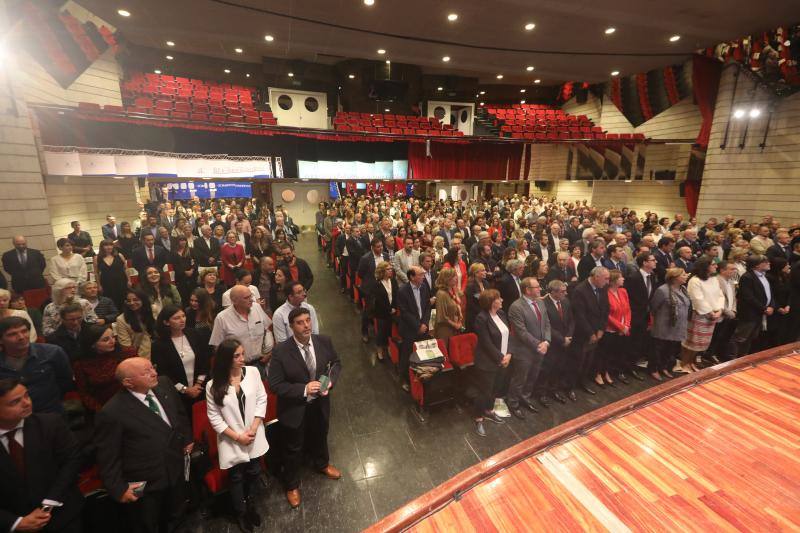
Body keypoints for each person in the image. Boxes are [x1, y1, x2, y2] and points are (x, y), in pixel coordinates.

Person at [94, 357, 193, 533]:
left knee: (177, 515)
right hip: (146, 482)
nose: (154, 373)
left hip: (175, 469)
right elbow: (108, 456)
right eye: (146, 372)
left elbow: (180, 413)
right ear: (128, 382)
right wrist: (118, 489)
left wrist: (187, 439)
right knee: (148, 523)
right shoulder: (112, 412)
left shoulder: (164, 384)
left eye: (152, 367)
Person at [268, 307, 342, 509]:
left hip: (320, 403)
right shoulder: (281, 351)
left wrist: (329, 382)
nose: (306, 325)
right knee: (293, 447)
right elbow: (275, 385)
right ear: (291, 327)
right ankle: (291, 485)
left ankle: (322, 464)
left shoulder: (323, 341)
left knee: (320, 435)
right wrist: (304, 389)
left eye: (308, 320)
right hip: (295, 407)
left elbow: (335, 364)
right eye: (300, 322)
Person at [0, 378, 84, 533]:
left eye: (26, 395)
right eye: (15, 402)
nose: (26, 403)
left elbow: (72, 461)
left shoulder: (50, 424)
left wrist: (48, 504)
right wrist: (15, 522)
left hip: (61, 515)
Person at [206, 339, 268, 532]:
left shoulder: (253, 372)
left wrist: (255, 425)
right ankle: (240, 512)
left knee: (254, 471)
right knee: (236, 478)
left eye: (243, 353)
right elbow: (214, 417)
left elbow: (261, 398)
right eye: (237, 356)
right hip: (232, 439)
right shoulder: (213, 385)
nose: (243, 358)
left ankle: (249, 504)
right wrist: (237, 436)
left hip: (253, 433)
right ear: (226, 359)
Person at [0, 317, 72, 414]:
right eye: (12, 334)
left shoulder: (53, 352)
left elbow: (65, 381)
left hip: (50, 413)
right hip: (12, 418)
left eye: (24, 331)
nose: (21, 337)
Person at [152, 305, 210, 421]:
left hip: (200, 388)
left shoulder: (194, 334)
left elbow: (204, 360)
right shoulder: (159, 345)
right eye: (176, 318)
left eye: (183, 316)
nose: (182, 320)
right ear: (166, 322)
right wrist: (185, 390)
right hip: (177, 393)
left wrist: (198, 385)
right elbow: (164, 372)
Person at [507, 278, 550, 416]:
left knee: (533, 376)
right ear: (527, 290)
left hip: (541, 348)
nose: (540, 289)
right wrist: (539, 344)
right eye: (537, 287)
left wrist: (547, 342)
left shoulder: (540, 302)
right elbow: (521, 332)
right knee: (520, 379)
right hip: (524, 350)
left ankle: (525, 398)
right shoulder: (516, 307)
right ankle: (513, 404)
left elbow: (547, 323)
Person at [210, 285, 274, 377]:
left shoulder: (257, 307)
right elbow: (217, 347)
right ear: (234, 300)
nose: (251, 299)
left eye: (251, 296)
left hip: (260, 365)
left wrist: (269, 354)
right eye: (246, 298)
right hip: (236, 368)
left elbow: (267, 329)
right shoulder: (222, 318)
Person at [472, 289, 511, 437]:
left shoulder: (501, 314)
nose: (501, 300)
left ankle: (489, 410)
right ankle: (478, 417)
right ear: (491, 302)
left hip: (504, 360)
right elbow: (486, 343)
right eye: (498, 298)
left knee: (496, 388)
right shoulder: (481, 318)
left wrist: (509, 355)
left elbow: (509, 334)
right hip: (488, 362)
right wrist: (502, 357)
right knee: (484, 391)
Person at [73, 324, 136, 413]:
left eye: (113, 337)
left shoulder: (127, 353)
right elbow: (84, 393)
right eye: (105, 340)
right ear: (92, 345)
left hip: (133, 402)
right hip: (103, 407)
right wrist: (102, 411)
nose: (112, 341)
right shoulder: (81, 364)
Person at [679, 257, 725, 372]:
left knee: (701, 343)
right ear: (705, 267)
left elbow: (720, 295)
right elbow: (697, 299)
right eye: (713, 264)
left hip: (713, 314)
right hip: (700, 314)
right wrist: (710, 312)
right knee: (692, 342)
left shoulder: (714, 279)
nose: (716, 266)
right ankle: (684, 363)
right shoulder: (695, 280)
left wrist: (719, 310)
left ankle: (691, 362)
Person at [570, 267, 611, 395]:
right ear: (596, 277)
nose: (608, 281)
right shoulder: (580, 290)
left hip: (597, 331)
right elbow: (579, 315)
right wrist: (590, 333)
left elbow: (605, 309)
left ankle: (583, 381)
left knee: (589, 360)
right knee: (578, 361)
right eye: (606, 278)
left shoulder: (603, 287)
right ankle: (570, 386)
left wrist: (601, 329)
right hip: (583, 333)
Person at [649, 268, 691, 380]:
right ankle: (654, 369)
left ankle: (664, 367)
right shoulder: (662, 290)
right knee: (658, 349)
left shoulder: (683, 289)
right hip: (663, 326)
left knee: (670, 350)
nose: (686, 276)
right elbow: (653, 307)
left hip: (678, 326)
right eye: (683, 275)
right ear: (675, 277)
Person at [396, 266, 432, 392]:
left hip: (423, 327)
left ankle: (421, 377)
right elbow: (405, 313)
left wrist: (425, 324)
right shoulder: (402, 291)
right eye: (421, 275)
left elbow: (427, 306)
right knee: (406, 355)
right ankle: (404, 379)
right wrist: (418, 326)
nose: (423, 277)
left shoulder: (424, 287)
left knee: (422, 354)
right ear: (412, 277)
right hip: (409, 329)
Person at [733, 255, 774, 357]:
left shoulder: (764, 275)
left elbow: (770, 293)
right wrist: (764, 308)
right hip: (749, 314)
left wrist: (772, 306)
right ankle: (734, 360)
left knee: (752, 338)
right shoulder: (747, 277)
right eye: (765, 262)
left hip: (759, 313)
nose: (769, 263)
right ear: (756, 265)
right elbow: (748, 297)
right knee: (741, 338)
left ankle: (744, 358)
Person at [595, 270, 630, 387]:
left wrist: (627, 325)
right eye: (621, 277)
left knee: (614, 352)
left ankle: (607, 372)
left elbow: (628, 310)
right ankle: (598, 373)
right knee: (603, 353)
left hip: (622, 329)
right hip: (609, 329)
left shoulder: (623, 291)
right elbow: (606, 314)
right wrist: (620, 326)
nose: (623, 279)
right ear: (614, 280)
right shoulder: (605, 293)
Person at [542, 280, 575, 402]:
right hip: (552, 343)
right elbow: (546, 325)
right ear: (554, 292)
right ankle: (542, 393)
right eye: (563, 291)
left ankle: (554, 390)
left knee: (559, 367)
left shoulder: (565, 302)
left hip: (566, 342)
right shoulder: (543, 304)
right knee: (547, 368)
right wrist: (562, 339)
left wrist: (569, 336)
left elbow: (572, 320)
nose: (566, 293)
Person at [357, 238, 389, 343]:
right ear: (372, 247)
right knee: (368, 310)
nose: (380, 248)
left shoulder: (385, 255)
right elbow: (360, 273)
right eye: (378, 247)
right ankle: (365, 332)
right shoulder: (366, 258)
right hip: (370, 289)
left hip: (383, 288)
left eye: (381, 246)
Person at [707, 260, 738, 362]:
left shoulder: (731, 281)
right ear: (722, 270)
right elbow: (716, 299)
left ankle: (717, 353)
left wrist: (733, 309)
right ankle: (709, 355)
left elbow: (733, 297)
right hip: (720, 314)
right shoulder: (716, 280)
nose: (735, 271)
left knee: (722, 337)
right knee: (715, 336)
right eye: (732, 269)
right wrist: (728, 311)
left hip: (729, 314)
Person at [115, 288, 155, 359]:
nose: (132, 303)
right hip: (140, 356)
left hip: (159, 351)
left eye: (135, 300)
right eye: (128, 301)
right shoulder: (121, 320)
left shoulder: (153, 310)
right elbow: (126, 347)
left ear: (143, 300)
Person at [372, 261, 398, 364]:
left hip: (392, 311)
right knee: (381, 332)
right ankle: (379, 350)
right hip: (382, 313)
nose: (391, 271)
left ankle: (387, 347)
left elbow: (395, 295)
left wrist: (394, 307)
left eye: (391, 269)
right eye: (388, 269)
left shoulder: (394, 281)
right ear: (382, 271)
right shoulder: (377, 284)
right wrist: (389, 309)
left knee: (389, 332)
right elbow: (380, 300)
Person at [94, 240, 129, 309]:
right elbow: (96, 273)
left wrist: (129, 280)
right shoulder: (97, 258)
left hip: (121, 281)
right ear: (102, 247)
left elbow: (126, 269)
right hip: (106, 283)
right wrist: (99, 285)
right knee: (110, 301)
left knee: (123, 299)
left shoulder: (119, 255)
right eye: (106, 245)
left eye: (111, 245)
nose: (109, 247)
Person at [765, 257, 792, 347]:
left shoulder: (785, 276)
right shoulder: (769, 278)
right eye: (786, 265)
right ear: (779, 266)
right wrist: (778, 308)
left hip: (785, 308)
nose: (788, 266)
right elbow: (770, 295)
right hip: (774, 310)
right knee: (773, 334)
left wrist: (788, 305)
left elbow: (789, 292)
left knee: (784, 332)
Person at [433, 267, 464, 341]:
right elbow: (442, 317)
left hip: (456, 327)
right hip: (445, 330)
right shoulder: (441, 294)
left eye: (456, 275)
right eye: (453, 276)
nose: (456, 278)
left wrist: (459, 322)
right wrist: (456, 325)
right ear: (446, 279)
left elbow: (459, 303)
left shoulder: (454, 290)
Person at [172, 236, 197, 305]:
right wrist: (184, 272)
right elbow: (174, 265)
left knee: (192, 294)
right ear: (177, 242)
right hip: (180, 278)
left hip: (191, 277)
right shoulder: (174, 252)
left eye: (184, 240)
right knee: (183, 296)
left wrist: (192, 270)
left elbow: (195, 261)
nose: (183, 242)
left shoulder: (191, 250)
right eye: (181, 240)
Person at [465, 263, 489, 333]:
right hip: (474, 318)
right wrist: (484, 313)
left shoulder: (486, 283)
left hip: (485, 315)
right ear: (476, 273)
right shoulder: (470, 286)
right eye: (483, 270)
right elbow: (471, 305)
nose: (486, 272)